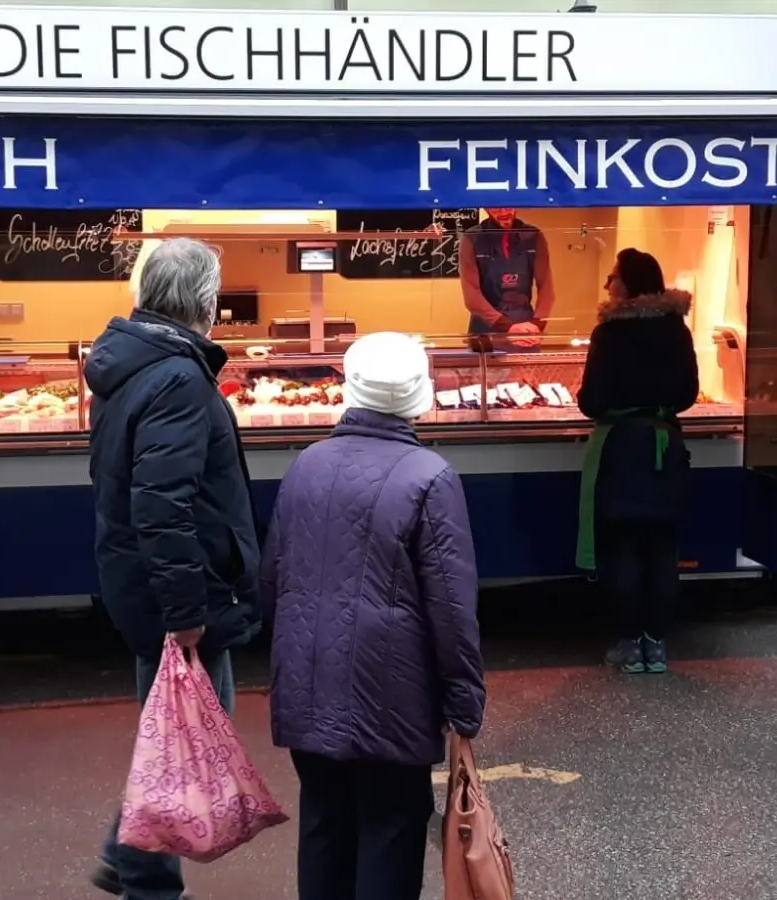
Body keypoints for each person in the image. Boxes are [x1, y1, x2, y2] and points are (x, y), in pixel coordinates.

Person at [261, 331, 486, 900]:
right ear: (417, 395)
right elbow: (452, 607)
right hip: (392, 698)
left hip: (308, 689)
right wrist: (464, 702)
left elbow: (272, 582)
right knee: (390, 828)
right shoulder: (429, 475)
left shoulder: (305, 465)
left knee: (323, 825)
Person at [85, 237, 263, 900]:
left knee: (174, 732)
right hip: (176, 589)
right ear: (204, 302)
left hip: (145, 579)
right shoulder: (178, 378)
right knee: (186, 735)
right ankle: (142, 874)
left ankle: (127, 858)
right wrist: (186, 611)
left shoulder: (131, 365)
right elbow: (162, 503)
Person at [575, 248, 699, 675]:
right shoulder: (677, 329)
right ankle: (657, 647)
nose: (608, 283)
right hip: (665, 449)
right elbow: (687, 394)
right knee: (663, 550)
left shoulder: (608, 334)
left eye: (614, 276)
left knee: (624, 549)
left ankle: (630, 647)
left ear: (629, 284)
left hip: (621, 451)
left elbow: (591, 401)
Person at [459, 207, 557, 344]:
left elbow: (546, 287)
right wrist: (507, 327)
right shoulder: (472, 237)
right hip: (486, 327)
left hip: (526, 327)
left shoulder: (533, 236)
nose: (504, 212)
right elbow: (471, 296)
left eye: (508, 206)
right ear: (486, 209)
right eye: (497, 208)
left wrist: (537, 324)